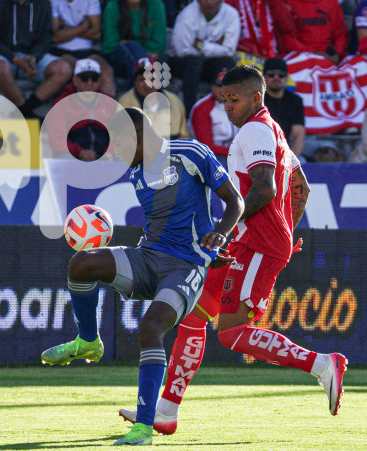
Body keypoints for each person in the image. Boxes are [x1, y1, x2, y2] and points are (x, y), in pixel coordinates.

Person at [118, 65, 347, 435]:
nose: (227, 106)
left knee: (230, 332)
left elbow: (265, 189)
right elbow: (301, 188)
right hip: (253, 240)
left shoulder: (256, 129)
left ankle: (323, 364)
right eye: (224, 99)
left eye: (234, 99)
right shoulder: (272, 132)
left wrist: (230, 232)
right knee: (192, 315)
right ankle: (165, 409)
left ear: (256, 98)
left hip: (254, 242)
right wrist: (287, 228)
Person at [41, 106, 245, 446]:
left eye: (119, 144)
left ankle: (144, 428)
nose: (116, 153)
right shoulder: (136, 172)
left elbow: (235, 202)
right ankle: (88, 341)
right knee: (82, 263)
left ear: (137, 136)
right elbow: (162, 224)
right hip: (149, 257)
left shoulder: (189, 153)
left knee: (151, 327)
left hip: (187, 266)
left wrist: (219, 236)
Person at [0, 0, 73, 118]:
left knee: (63, 69)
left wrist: (34, 57)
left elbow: (46, 37)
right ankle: (29, 117)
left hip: (29, 54)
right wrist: (15, 59)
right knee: (1, 68)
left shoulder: (43, 3)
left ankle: (25, 110)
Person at [171, 0, 239, 114]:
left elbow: (229, 50)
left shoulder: (231, 14)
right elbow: (182, 50)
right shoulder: (187, 15)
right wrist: (216, 45)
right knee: (194, 63)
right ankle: (190, 112)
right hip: (182, 64)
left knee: (227, 63)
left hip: (208, 62)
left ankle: (229, 110)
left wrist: (200, 45)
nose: (209, 2)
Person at [50, 0, 116, 97]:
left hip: (88, 51)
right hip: (62, 52)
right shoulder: (53, 1)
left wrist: (67, 32)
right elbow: (54, 37)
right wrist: (83, 27)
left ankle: (109, 109)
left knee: (107, 71)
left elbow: (96, 33)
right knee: (78, 73)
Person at [49, 58, 112, 161]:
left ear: (100, 81)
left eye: (94, 78)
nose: (90, 83)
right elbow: (56, 138)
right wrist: (79, 152)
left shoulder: (108, 102)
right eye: (84, 78)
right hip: (72, 154)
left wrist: (108, 153)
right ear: (75, 80)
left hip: (104, 154)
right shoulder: (61, 103)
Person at [119, 59, 190, 140]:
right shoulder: (124, 103)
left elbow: (184, 137)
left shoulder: (175, 101)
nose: (147, 85)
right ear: (134, 82)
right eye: (142, 79)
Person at [102, 0, 166, 81]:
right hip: (119, 59)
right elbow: (110, 45)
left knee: (136, 50)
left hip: (149, 56)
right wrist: (132, 47)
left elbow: (159, 43)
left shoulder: (156, 4)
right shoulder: (112, 7)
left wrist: (130, 45)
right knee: (132, 48)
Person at [275, 0, 349, 65]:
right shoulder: (288, 3)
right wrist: (315, 54)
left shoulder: (332, 2)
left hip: (332, 57)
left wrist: (337, 55)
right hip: (301, 58)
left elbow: (341, 34)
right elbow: (288, 40)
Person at [188, 67, 237, 162]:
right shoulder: (202, 108)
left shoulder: (239, 104)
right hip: (211, 158)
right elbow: (205, 147)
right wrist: (236, 152)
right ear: (212, 86)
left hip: (235, 155)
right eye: (220, 85)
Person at [262, 58, 306, 158]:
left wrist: (290, 162)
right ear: (264, 78)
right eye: (271, 74)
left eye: (281, 75)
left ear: (286, 78)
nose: (276, 78)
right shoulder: (256, 100)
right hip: (258, 153)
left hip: (285, 153)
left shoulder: (295, 101)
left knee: (302, 163)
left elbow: (299, 135)